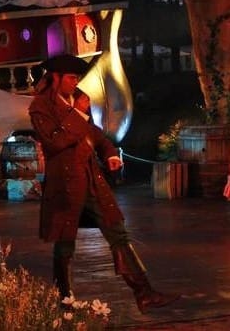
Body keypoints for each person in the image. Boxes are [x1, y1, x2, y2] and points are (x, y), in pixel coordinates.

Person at [28, 54, 179, 313]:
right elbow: (55, 141)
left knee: (117, 230)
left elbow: (94, 134)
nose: (75, 82)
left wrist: (109, 153)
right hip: (64, 184)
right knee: (64, 242)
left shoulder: (78, 99)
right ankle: (65, 300)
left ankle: (144, 293)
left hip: (91, 179)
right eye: (71, 78)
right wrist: (77, 112)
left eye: (77, 78)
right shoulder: (41, 107)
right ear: (56, 78)